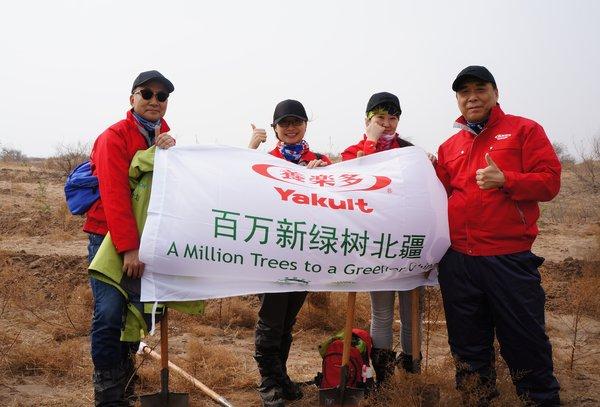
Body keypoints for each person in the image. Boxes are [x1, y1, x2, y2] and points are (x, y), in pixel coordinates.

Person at [435, 66, 561, 406]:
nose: (472, 96)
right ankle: (477, 398)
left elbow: (550, 182)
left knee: (525, 341)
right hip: (459, 261)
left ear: (495, 93)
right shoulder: (449, 146)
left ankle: (539, 399)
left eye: (480, 89)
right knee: (468, 347)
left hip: (508, 259)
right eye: (464, 92)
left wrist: (507, 179)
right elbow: (437, 194)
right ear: (458, 100)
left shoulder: (524, 130)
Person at [83, 70, 176, 406]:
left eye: (161, 96)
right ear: (132, 98)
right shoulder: (114, 136)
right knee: (109, 313)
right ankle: (108, 393)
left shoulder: (163, 139)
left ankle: (123, 374)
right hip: (109, 237)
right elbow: (114, 193)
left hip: (147, 240)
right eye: (146, 93)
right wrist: (129, 248)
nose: (154, 100)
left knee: (136, 314)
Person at [249, 99, 330, 407]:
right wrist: (251, 147)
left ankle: (280, 374)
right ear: (275, 129)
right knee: (271, 318)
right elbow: (238, 187)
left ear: (306, 124)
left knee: (287, 320)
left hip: (306, 254)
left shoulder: (320, 161)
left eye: (297, 121)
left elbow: (338, 204)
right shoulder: (264, 160)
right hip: (270, 254)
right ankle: (268, 382)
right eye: (284, 123)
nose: (291, 127)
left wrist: (319, 179)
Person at [341, 92, 425, 385]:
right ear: (367, 120)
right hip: (378, 246)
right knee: (383, 314)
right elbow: (357, 183)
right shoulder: (353, 151)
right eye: (380, 118)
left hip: (411, 245)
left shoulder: (410, 151)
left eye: (393, 118)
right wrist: (371, 142)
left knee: (413, 313)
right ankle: (384, 377)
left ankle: (412, 371)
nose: (387, 124)